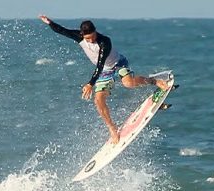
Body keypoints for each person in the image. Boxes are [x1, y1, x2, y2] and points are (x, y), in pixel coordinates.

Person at [39, 15, 169, 144]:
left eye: (92, 37)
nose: (90, 41)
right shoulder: (79, 37)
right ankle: (112, 128)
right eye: (87, 38)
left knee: (128, 83)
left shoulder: (104, 42)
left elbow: (100, 64)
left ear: (95, 31)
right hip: (104, 71)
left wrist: (91, 84)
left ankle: (154, 81)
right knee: (98, 100)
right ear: (82, 35)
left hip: (118, 63)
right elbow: (62, 30)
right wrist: (49, 22)